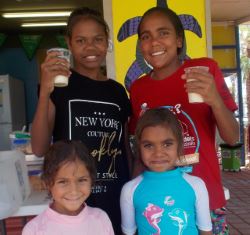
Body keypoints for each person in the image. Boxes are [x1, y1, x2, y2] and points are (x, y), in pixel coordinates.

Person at [129, 7, 239, 235]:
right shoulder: (139, 88)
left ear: (179, 39)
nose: (154, 42)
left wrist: (215, 100)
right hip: (159, 202)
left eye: (163, 33)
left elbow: (232, 137)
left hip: (207, 197)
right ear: (141, 46)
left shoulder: (205, 70)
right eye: (146, 36)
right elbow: (140, 150)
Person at [31, 7, 131, 234]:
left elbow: (124, 146)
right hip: (73, 197)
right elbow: (39, 147)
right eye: (81, 40)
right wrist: (46, 90)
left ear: (107, 42)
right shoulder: (59, 85)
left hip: (117, 193)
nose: (90, 47)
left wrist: (134, 188)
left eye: (98, 39)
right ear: (69, 44)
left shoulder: (117, 92)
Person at [120, 108, 212, 235]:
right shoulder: (130, 190)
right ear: (138, 147)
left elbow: (205, 231)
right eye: (148, 145)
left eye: (167, 144)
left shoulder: (197, 185)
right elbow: (128, 233)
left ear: (179, 145)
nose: (158, 153)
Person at [22, 140, 114, 235]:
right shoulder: (34, 230)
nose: (74, 191)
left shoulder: (101, 219)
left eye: (81, 180)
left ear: (91, 179)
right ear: (48, 183)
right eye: (63, 182)